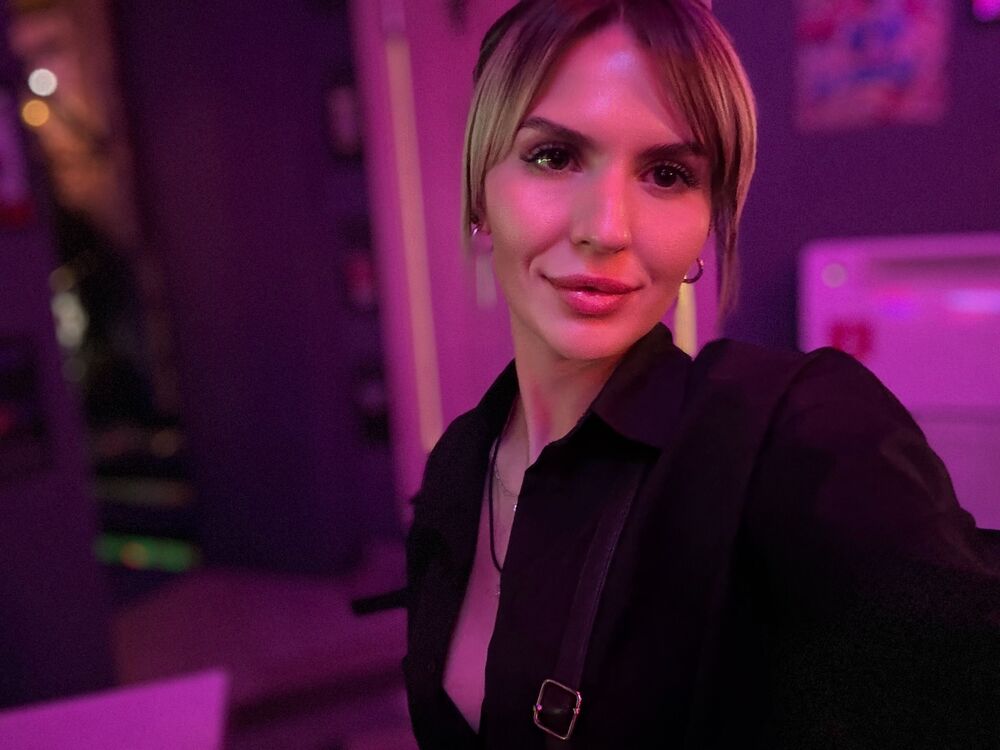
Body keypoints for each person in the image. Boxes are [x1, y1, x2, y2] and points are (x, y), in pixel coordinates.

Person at [401, 1, 1000, 747]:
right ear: (479, 194)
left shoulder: (785, 436)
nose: (606, 228)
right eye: (553, 156)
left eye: (666, 173)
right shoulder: (457, 467)